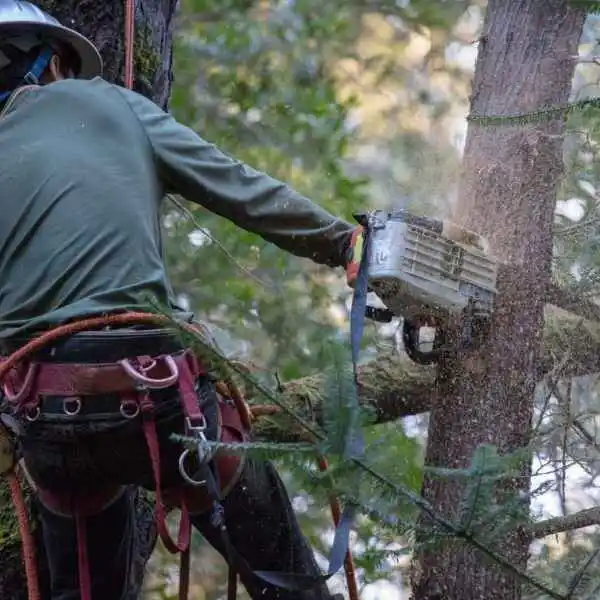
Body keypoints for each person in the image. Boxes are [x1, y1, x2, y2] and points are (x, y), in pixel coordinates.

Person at [0, 2, 363, 600]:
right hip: (157, 397)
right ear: (55, 62)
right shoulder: (110, 102)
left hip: (44, 415)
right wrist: (342, 242)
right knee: (279, 557)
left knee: (82, 576)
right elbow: (236, 186)